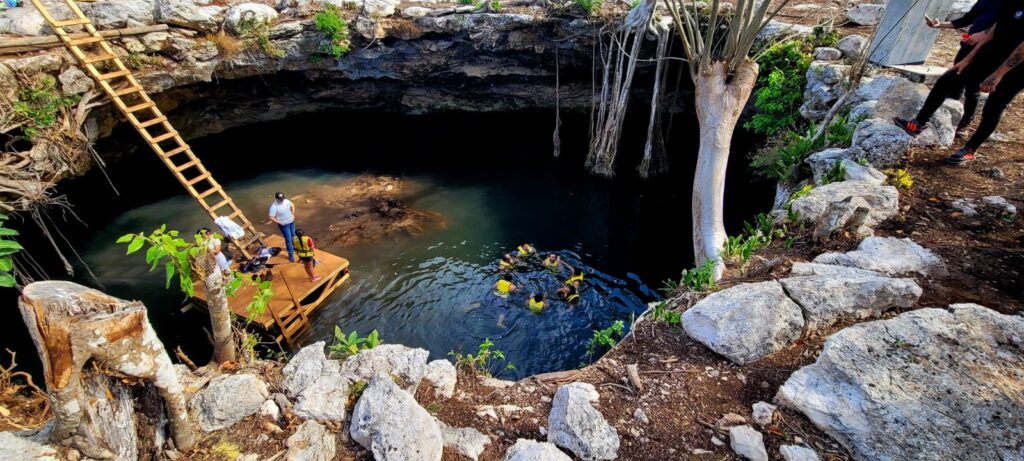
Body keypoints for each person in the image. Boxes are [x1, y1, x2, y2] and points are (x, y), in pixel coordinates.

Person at [895, 1, 1024, 165]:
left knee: (995, 105)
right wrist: (967, 60)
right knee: (950, 77)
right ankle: (918, 122)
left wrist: (998, 75)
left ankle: (970, 149)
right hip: (993, 54)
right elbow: (994, 30)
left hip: (1017, 69)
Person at [924, 0, 1004, 136]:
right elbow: (967, 19)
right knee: (954, 81)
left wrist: (984, 34)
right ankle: (950, 115)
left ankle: (965, 122)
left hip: (988, 50)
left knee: (972, 86)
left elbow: (1006, 28)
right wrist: (940, 24)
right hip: (968, 45)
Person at [269, 192, 297, 262]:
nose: (282, 200)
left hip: (291, 221)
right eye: (280, 199)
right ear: (276, 198)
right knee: (288, 239)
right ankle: (291, 255)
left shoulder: (286, 201)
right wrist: (280, 222)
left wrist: (293, 213)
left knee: (293, 234)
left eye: (282, 198)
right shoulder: (274, 207)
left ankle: (295, 247)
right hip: (284, 225)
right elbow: (271, 217)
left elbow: (292, 205)